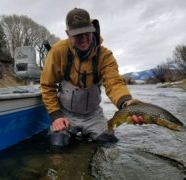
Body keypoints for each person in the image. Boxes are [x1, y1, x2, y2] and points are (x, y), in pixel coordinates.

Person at [40, 8, 145, 147]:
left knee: (109, 143)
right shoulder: (57, 52)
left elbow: (114, 83)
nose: (84, 39)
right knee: (58, 143)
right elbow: (47, 85)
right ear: (68, 34)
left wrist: (126, 103)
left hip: (93, 115)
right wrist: (56, 116)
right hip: (66, 113)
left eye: (87, 33)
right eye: (78, 35)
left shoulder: (105, 55)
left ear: (92, 29)